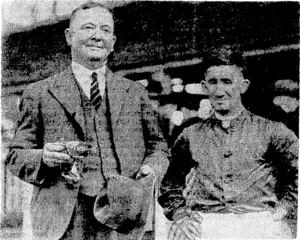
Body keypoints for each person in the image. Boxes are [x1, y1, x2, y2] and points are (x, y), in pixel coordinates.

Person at [6, 2, 169, 240]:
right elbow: (15, 156)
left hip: (124, 219)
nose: (97, 36)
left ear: (113, 42)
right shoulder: (39, 92)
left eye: (105, 30)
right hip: (65, 221)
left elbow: (159, 148)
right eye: (88, 28)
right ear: (69, 36)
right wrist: (43, 157)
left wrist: (151, 169)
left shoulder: (135, 93)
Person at [158, 46, 298, 239]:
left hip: (260, 226)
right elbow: (169, 184)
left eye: (227, 82)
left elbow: (297, 172)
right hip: (207, 226)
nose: (219, 91)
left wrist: (284, 208)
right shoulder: (190, 135)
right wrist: (181, 215)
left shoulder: (272, 131)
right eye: (213, 82)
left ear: (243, 85)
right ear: (204, 86)